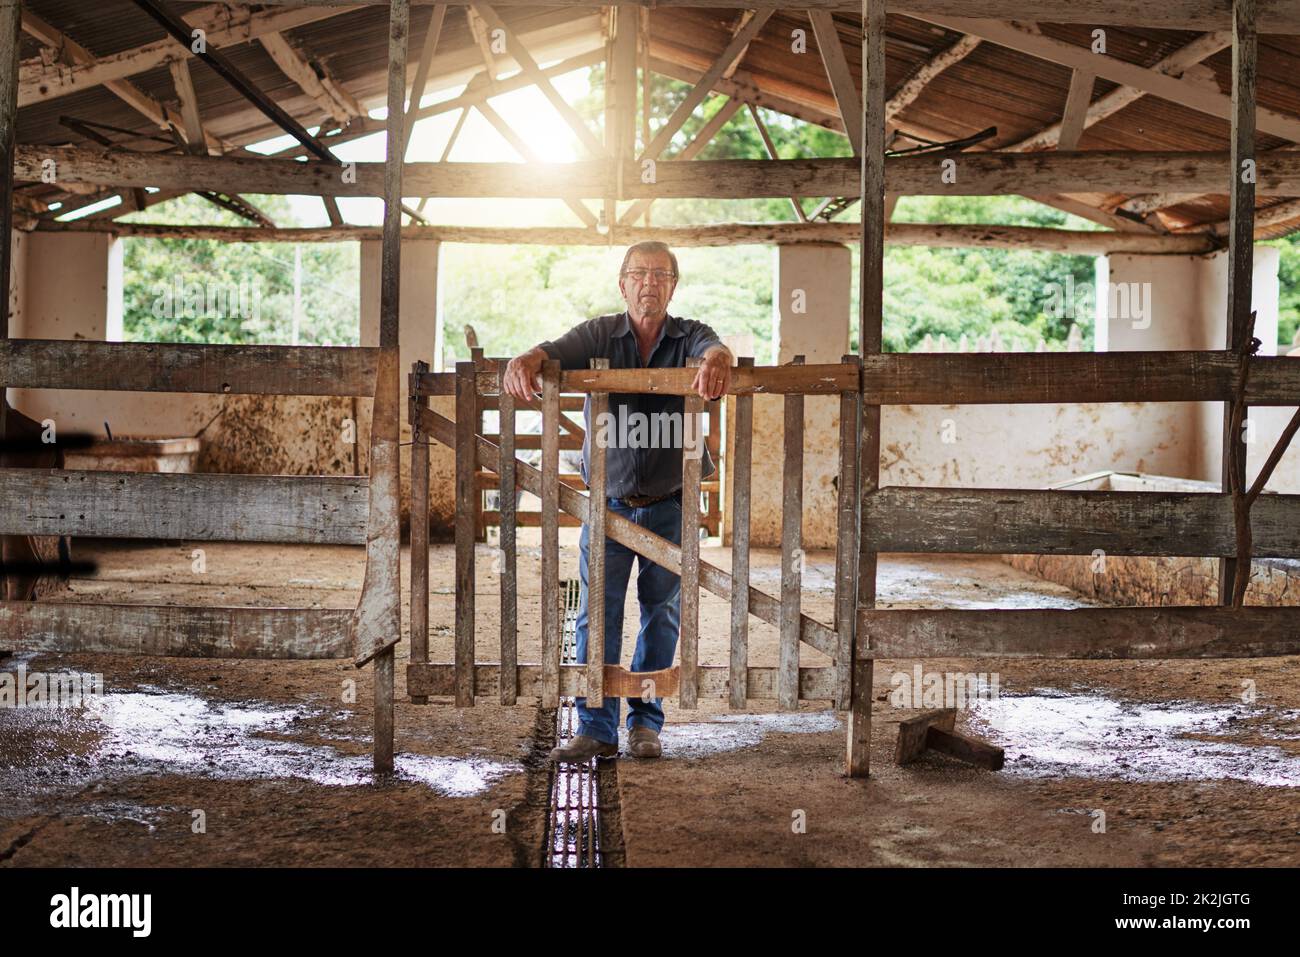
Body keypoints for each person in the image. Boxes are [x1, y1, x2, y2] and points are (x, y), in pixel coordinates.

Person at [502, 241, 733, 761]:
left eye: (660, 274)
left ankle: (645, 724)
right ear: (622, 283)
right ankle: (596, 728)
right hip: (607, 505)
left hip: (670, 504)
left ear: (673, 285)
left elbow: (718, 351)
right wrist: (528, 359)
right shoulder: (599, 334)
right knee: (596, 614)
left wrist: (718, 361)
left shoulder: (689, 335)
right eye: (638, 273)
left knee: (662, 612)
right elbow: (550, 352)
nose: (648, 282)